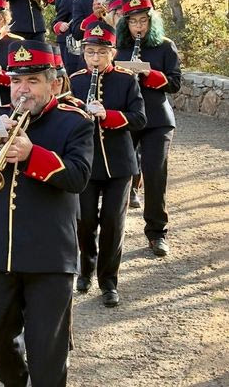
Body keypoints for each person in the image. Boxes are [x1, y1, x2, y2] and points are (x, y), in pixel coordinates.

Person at [0, 40, 93, 387]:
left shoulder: (74, 122)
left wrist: (33, 155)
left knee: (47, 350)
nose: (22, 89)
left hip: (49, 255)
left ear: (55, 84)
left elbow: (78, 177)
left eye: (33, 80)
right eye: (17, 81)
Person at [69, 21, 146, 307]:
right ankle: (86, 270)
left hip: (118, 165)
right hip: (86, 165)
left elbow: (139, 119)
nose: (96, 58)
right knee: (84, 221)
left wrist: (108, 115)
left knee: (113, 223)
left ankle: (109, 281)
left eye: (102, 52)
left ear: (112, 52)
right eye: (90, 52)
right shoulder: (75, 80)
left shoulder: (126, 80)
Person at [114, 0, 181, 257]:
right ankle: (110, 234)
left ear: (151, 22)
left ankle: (157, 232)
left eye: (143, 21)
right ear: (126, 25)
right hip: (128, 118)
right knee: (120, 173)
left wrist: (149, 74)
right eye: (133, 22)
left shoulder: (165, 46)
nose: (138, 27)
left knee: (154, 173)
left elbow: (175, 83)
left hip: (157, 120)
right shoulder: (118, 48)